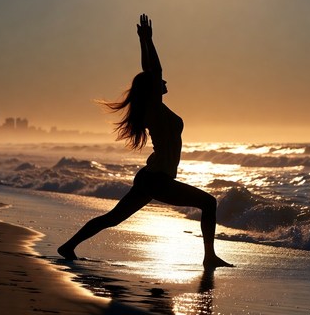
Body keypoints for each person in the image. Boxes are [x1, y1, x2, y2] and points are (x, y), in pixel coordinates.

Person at [58, 14, 232, 269]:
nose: (165, 81)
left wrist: (144, 41)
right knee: (209, 203)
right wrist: (148, 41)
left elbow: (151, 73)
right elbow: (153, 71)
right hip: (157, 179)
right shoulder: (153, 107)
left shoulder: (155, 109)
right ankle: (209, 257)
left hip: (152, 178)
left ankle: (68, 246)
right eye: (159, 81)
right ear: (151, 88)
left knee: (114, 218)